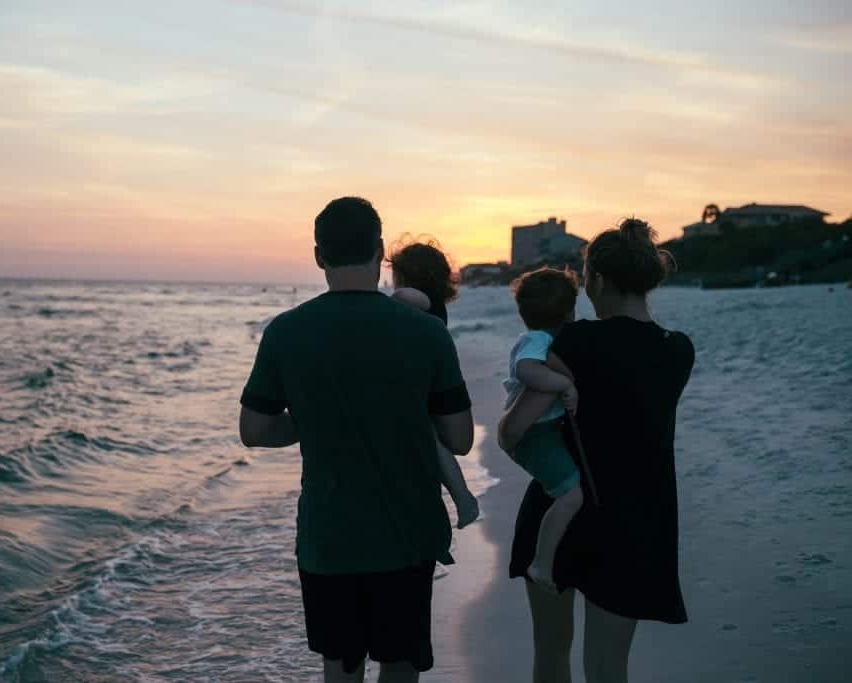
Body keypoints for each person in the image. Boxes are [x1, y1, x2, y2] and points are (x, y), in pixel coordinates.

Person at [239, 197, 474, 683]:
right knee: (400, 666)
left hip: (330, 536)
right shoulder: (427, 332)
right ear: (380, 249)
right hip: (408, 533)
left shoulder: (286, 331)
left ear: (318, 256)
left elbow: (255, 430)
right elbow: (460, 436)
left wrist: (316, 414)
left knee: (341, 668)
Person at [498, 218, 694, 683]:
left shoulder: (575, 342)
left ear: (600, 280)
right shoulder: (677, 351)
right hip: (637, 521)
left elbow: (513, 431)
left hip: (561, 509)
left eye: (585, 279)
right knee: (608, 668)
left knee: (551, 654)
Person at [388, 237, 479, 529]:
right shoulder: (436, 305)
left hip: (420, 384)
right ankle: (462, 495)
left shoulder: (421, 300)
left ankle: (463, 496)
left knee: (431, 440)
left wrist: (377, 302)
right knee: (435, 443)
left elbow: (406, 299)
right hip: (424, 380)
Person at [502, 267, 583, 591]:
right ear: (570, 310)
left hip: (540, 432)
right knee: (571, 495)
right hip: (534, 436)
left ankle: (542, 561)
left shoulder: (540, 337)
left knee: (567, 492)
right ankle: (541, 562)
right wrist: (565, 384)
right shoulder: (537, 340)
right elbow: (526, 370)